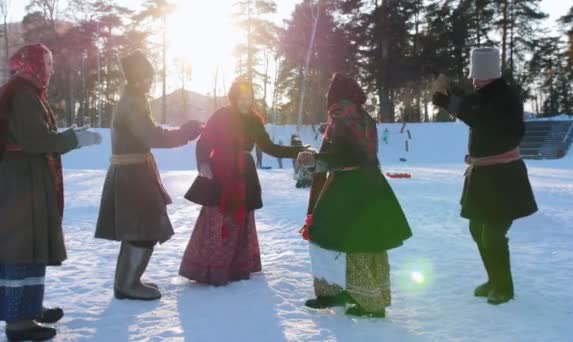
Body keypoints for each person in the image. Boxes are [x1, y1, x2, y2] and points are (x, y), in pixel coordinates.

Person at [0, 44, 102, 341]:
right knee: (23, 246)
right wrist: (74, 139)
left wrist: (66, 137)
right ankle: (19, 320)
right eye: (47, 63)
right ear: (34, 65)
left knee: (27, 246)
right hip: (23, 182)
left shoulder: (21, 92)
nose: (52, 69)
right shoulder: (23, 95)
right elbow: (35, 140)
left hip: (22, 179)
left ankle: (27, 306)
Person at [297, 73, 412, 318]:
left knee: (336, 238)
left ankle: (348, 295)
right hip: (372, 185)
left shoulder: (340, 118)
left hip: (348, 188)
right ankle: (373, 298)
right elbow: (360, 154)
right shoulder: (365, 118)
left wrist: (314, 160)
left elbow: (343, 158)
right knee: (371, 243)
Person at [432, 47, 538, 305]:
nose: (474, 80)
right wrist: (450, 90)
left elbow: (484, 121)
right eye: (473, 76)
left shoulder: (505, 98)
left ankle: (504, 287)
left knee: (492, 233)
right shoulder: (485, 94)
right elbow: (470, 105)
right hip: (483, 175)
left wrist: (449, 102)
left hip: (504, 177)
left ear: (491, 74)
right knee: (476, 229)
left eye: (478, 76)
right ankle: (494, 279)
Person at [95, 51, 202, 301]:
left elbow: (148, 134)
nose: (150, 81)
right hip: (133, 175)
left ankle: (127, 281)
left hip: (134, 172)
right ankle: (128, 284)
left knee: (139, 227)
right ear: (137, 77)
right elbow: (151, 136)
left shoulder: (134, 99)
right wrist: (184, 133)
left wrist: (184, 132)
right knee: (145, 226)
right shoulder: (133, 101)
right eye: (147, 76)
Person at [180, 80, 306, 286]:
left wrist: (296, 151)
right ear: (234, 97)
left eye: (249, 98)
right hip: (220, 170)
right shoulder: (220, 115)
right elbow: (204, 141)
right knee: (218, 218)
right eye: (242, 98)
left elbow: (269, 147)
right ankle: (212, 269)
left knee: (240, 219)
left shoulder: (255, 120)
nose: (246, 102)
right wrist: (202, 163)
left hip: (244, 173)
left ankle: (237, 268)